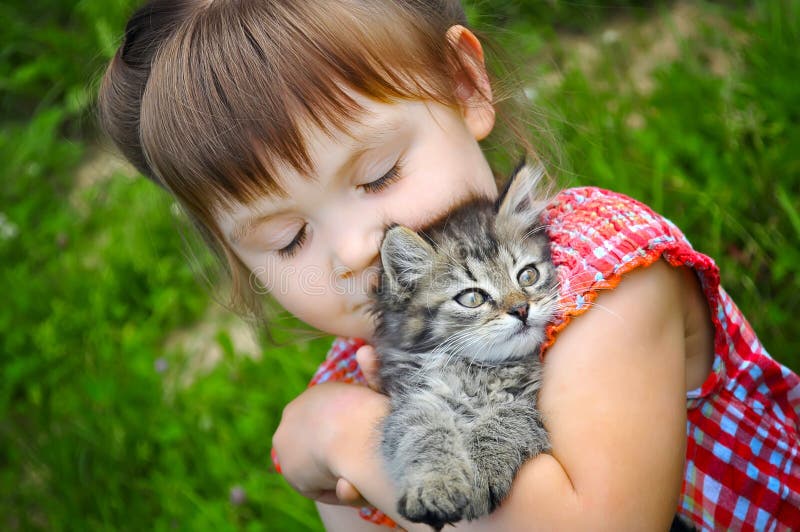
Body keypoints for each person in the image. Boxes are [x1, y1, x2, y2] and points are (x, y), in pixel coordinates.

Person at [97, 0, 800, 530]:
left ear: (464, 86)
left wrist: (352, 438)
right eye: (287, 239)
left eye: (377, 176)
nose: (354, 250)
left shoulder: (600, 275)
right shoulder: (353, 376)